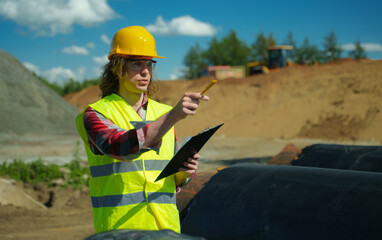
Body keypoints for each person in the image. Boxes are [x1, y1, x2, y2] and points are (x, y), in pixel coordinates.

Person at [75, 25, 209, 234]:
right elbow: (119, 147)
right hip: (120, 231)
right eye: (137, 64)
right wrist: (173, 116)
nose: (146, 71)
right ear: (118, 67)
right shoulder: (96, 114)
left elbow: (171, 182)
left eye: (149, 64)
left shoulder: (162, 113)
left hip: (166, 230)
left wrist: (184, 173)